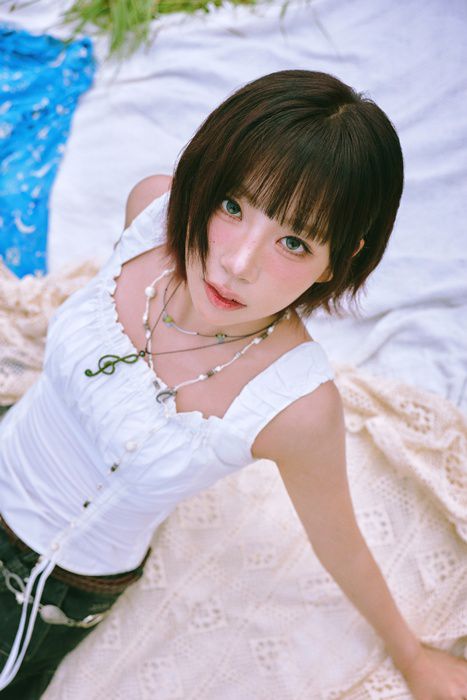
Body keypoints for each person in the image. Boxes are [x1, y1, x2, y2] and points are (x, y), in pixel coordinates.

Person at [0, 69, 466, 699]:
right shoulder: (152, 211)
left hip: (42, 583)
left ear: (339, 261)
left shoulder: (295, 406)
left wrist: (411, 657)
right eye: (231, 206)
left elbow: (340, 543)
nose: (237, 263)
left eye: (293, 242)